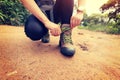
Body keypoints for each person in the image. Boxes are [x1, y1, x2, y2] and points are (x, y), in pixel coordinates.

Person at [20, 0, 86, 57]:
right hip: (39, 13)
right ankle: (44, 32)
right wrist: (46, 22)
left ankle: (66, 35)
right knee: (33, 30)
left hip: (56, 11)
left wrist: (80, 11)